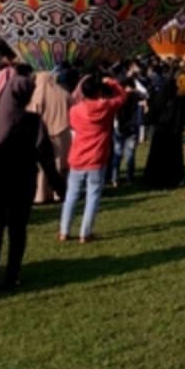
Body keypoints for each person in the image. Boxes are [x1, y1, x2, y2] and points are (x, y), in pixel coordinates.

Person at [0, 65, 40, 289]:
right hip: (22, 182)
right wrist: (59, 186)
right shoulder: (33, 120)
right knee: (17, 229)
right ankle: (12, 272)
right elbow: (43, 152)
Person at [60, 75, 126, 243]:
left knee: (71, 195)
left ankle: (64, 230)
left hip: (77, 156)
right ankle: (85, 232)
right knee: (93, 196)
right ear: (98, 91)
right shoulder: (106, 107)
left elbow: (73, 126)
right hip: (97, 157)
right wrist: (111, 82)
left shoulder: (75, 110)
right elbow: (122, 96)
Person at [28, 71, 71, 204]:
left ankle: (40, 195)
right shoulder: (64, 93)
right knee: (59, 164)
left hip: (41, 134)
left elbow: (31, 113)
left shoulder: (35, 94)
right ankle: (59, 193)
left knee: (42, 166)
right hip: (63, 132)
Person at [143, 65, 185, 189]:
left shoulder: (159, 99)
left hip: (160, 132)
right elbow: (181, 118)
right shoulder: (179, 100)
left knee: (157, 158)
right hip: (173, 134)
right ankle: (173, 179)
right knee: (173, 159)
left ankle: (153, 180)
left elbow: (151, 115)